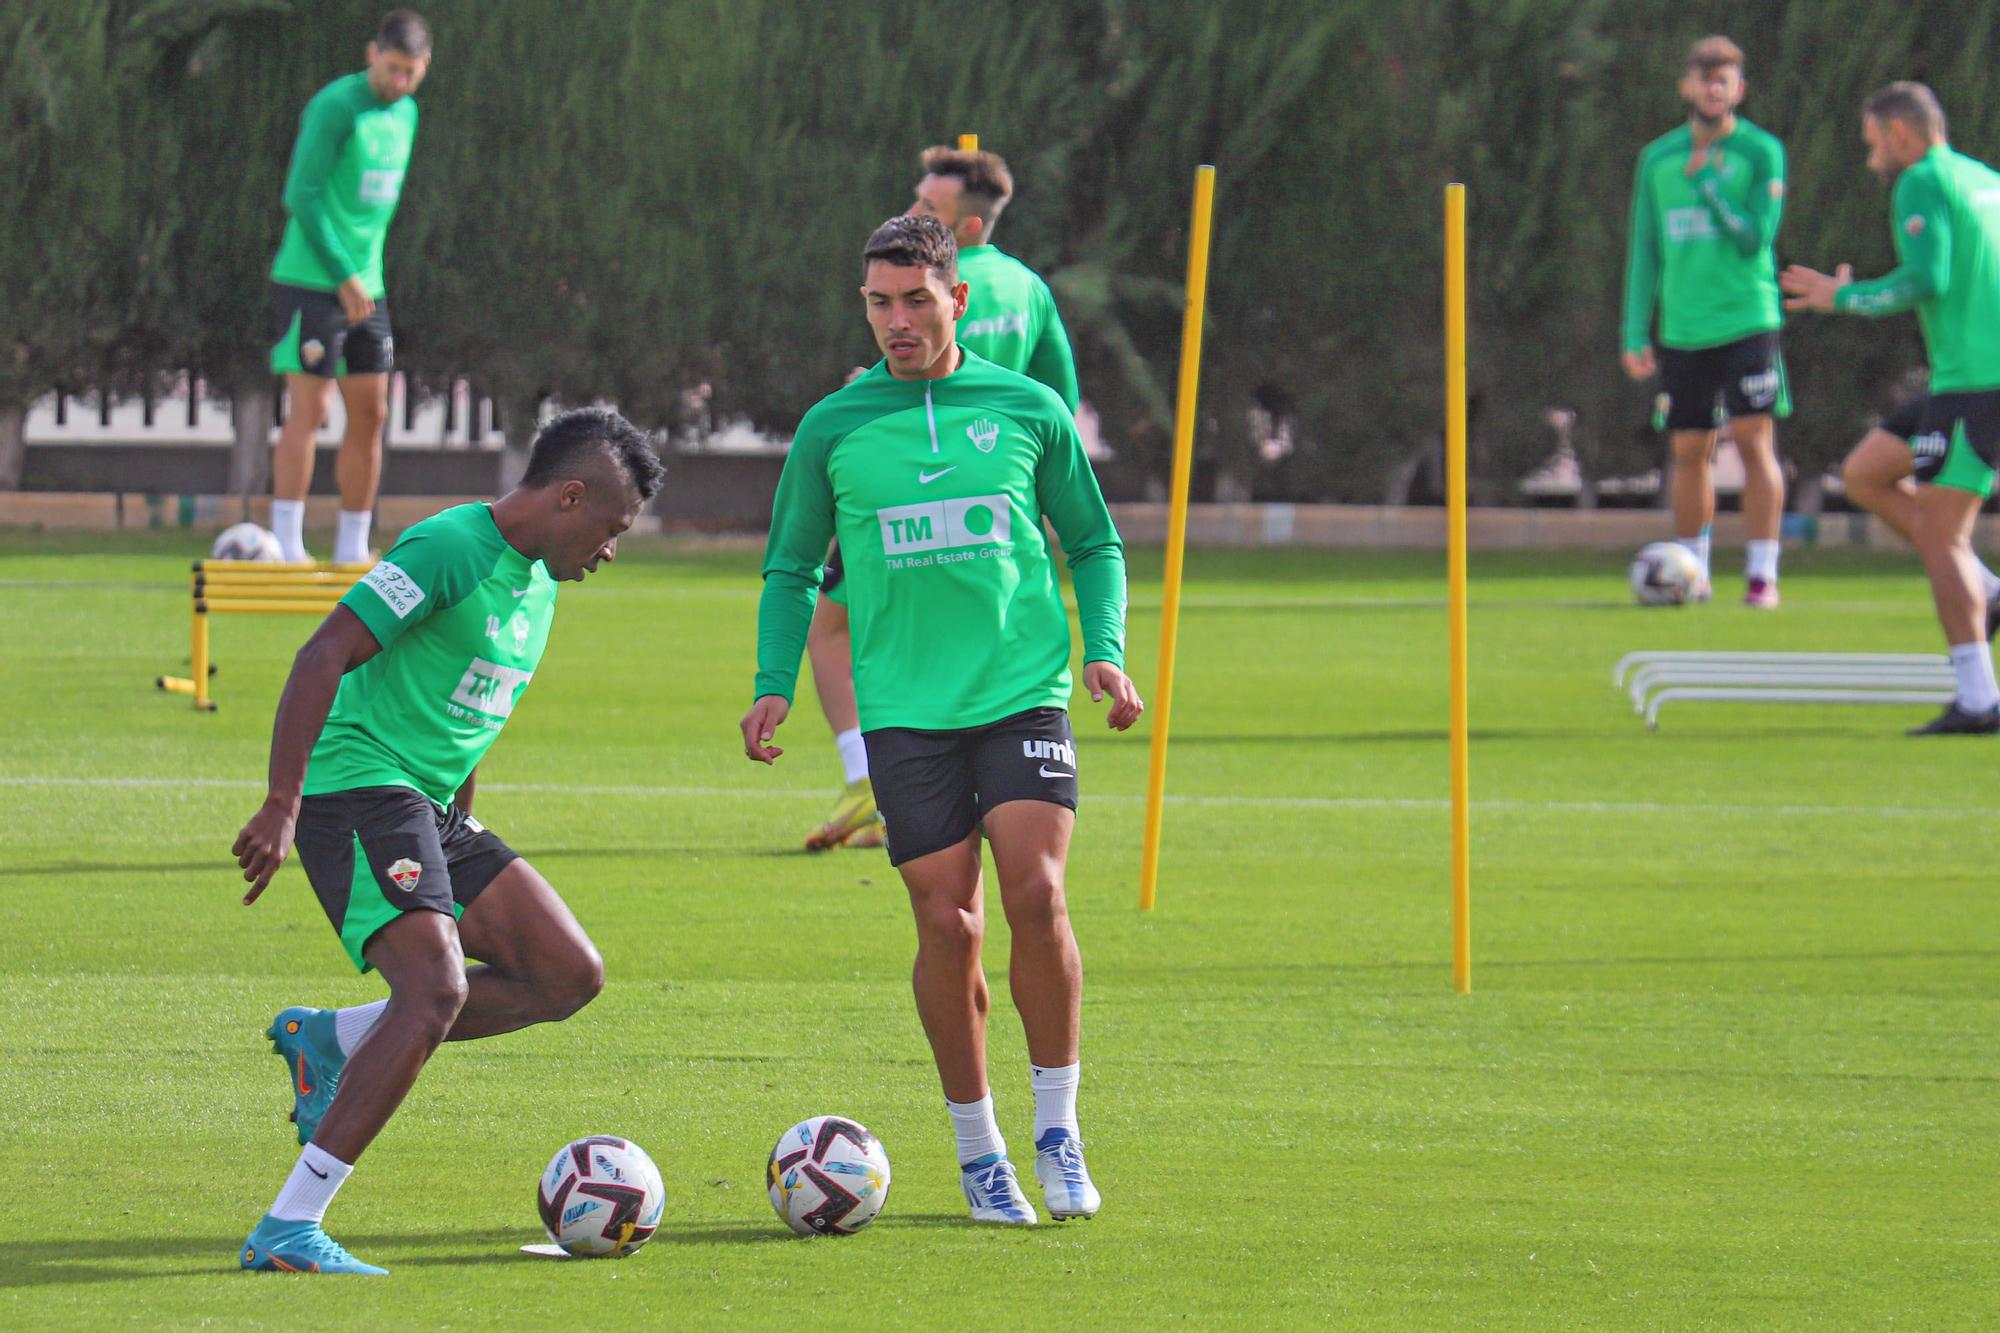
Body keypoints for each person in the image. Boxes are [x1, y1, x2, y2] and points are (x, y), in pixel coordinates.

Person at [742, 215, 1141, 1224]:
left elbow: (1092, 541)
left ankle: (1058, 1130)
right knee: (943, 919)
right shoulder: (834, 425)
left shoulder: (1024, 406)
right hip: (904, 712)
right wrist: (771, 679)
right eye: (878, 302)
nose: (896, 320)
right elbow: (790, 566)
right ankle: (979, 1148)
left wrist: (1105, 648)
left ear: (957, 297)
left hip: (1019, 690)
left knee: (1036, 895)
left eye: (915, 299)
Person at [231, 408, 664, 1274]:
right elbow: (322, 654)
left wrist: (459, 834)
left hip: (429, 806)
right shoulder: (449, 547)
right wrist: (281, 803)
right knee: (432, 991)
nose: (611, 550)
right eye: (611, 529)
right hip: (355, 785)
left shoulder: (539, 586)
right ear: (570, 496)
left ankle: (331, 1040)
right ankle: (288, 1226)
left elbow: (471, 718)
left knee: (568, 971)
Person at [802, 145, 1083, 851]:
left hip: (908, 480)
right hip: (1002, 494)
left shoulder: (929, 285)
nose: (914, 212)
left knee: (830, 626)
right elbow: (1061, 397)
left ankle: (869, 776)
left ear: (968, 229)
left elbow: (902, 370)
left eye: (929, 208)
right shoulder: (1028, 286)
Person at [1784, 81, 2000, 732]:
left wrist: (1841, 298)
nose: (1871, 155)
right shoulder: (1981, 176)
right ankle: (1986, 590)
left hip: (1975, 384)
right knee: (1864, 473)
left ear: (1900, 133)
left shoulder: (1921, 182)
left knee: (1940, 536)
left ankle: (1978, 699)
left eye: (1873, 142)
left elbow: (1927, 278)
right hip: (1963, 379)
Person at [1622, 34, 1789, 607]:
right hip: (1685, 327)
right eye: (1703, 78)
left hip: (1746, 316)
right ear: (1686, 86)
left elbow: (1754, 240)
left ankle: (1763, 574)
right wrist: (1633, 330)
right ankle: (1694, 568)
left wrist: (1710, 187)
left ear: (1738, 90)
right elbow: (1645, 248)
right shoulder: (1658, 158)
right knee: (1689, 449)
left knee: (1751, 438)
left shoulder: (1761, 151)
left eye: (1724, 80)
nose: (1713, 89)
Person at [266, 10, 431, 566]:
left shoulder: (407, 114)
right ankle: (287, 544)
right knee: (309, 412)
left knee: (373, 413)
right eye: (391, 69)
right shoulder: (335, 107)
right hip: (313, 281)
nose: (399, 81)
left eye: (410, 71)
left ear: (424, 67)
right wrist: (342, 274)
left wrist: (363, 278)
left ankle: (351, 547)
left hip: (368, 288)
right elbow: (303, 195)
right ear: (371, 55)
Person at [1839, 392, 2000, 640]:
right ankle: (1986, 587)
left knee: (1945, 529)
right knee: (1863, 476)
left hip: (1982, 382)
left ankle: (1975, 669)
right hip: (1951, 383)